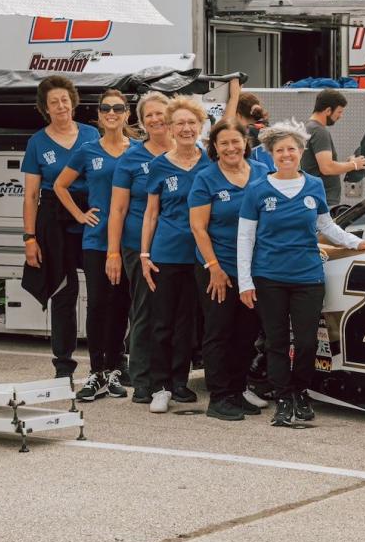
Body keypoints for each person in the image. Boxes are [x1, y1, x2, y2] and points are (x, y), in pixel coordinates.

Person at [238, 121, 365, 428]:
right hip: (269, 277)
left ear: (302, 152)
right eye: (279, 150)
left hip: (307, 277)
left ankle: (300, 393)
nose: (286, 154)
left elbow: (326, 226)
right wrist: (245, 282)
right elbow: (245, 238)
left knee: (306, 343)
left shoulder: (314, 185)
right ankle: (282, 397)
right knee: (276, 342)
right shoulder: (257, 189)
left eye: (292, 149)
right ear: (270, 154)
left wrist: (357, 242)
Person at [54, 90, 135, 402]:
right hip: (96, 240)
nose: (111, 113)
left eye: (118, 108)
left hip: (128, 240)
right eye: (105, 109)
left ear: (127, 114)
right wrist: (79, 213)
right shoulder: (87, 151)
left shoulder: (138, 151)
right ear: (99, 116)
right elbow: (60, 185)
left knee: (121, 305)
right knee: (98, 303)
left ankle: (115, 368)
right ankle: (96, 370)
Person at [189, 120, 270, 421]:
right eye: (223, 143)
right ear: (215, 147)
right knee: (219, 331)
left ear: (245, 143)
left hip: (252, 269)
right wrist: (214, 268)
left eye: (235, 141)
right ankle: (219, 397)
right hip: (218, 266)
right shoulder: (206, 178)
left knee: (246, 333)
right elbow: (198, 228)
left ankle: (237, 390)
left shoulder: (262, 173)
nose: (231, 148)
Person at [20, 76, 99, 380]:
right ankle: (63, 365)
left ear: (73, 101)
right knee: (64, 292)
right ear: (45, 108)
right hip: (53, 218)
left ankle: (109, 362)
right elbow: (30, 195)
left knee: (103, 290)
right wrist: (29, 238)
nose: (61, 106)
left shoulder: (92, 134)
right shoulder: (37, 142)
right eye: (54, 102)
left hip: (90, 213)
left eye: (65, 99)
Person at [140, 97, 212, 414]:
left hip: (199, 255)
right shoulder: (159, 165)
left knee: (187, 323)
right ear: (170, 127)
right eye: (179, 123)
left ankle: (180, 382)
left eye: (191, 123)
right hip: (166, 253)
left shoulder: (210, 162)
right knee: (162, 322)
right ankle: (160, 386)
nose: (185, 128)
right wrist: (144, 253)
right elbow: (151, 214)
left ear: (200, 127)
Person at [106, 91, 174, 403]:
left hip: (179, 247)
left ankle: (174, 378)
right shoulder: (131, 159)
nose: (156, 120)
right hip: (138, 246)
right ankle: (143, 380)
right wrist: (114, 252)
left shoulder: (190, 151)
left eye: (161, 113)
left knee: (176, 314)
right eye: (149, 115)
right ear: (141, 121)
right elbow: (117, 210)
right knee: (145, 312)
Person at [300, 89, 365, 214]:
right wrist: (354, 165)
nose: (340, 116)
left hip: (316, 198)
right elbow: (327, 168)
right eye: (339, 112)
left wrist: (346, 164)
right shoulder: (319, 131)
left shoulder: (309, 128)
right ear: (328, 110)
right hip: (324, 200)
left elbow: (322, 164)